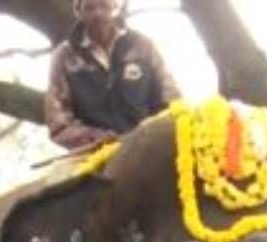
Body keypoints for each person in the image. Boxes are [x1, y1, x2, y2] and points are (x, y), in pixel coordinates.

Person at [45, 0, 180, 150]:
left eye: (103, 5)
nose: (97, 13)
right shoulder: (65, 57)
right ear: (78, 12)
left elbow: (172, 100)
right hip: (94, 154)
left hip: (149, 147)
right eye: (89, 8)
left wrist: (155, 133)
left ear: (115, 7)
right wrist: (95, 137)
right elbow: (58, 122)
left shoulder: (142, 45)